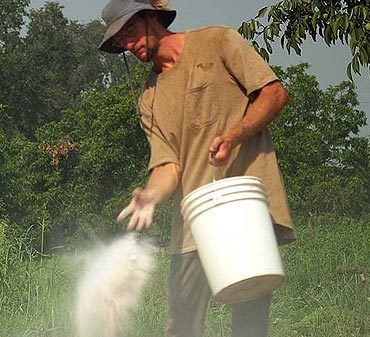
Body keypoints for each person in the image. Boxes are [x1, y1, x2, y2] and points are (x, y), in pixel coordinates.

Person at [99, 1, 296, 336]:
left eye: (129, 31)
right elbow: (168, 167)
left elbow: (274, 94)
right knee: (181, 325)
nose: (127, 44)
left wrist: (235, 136)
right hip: (195, 222)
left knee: (249, 324)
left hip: (245, 205)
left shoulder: (218, 41)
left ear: (150, 17)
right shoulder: (149, 99)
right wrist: (149, 196)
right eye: (119, 41)